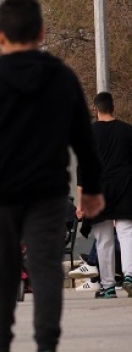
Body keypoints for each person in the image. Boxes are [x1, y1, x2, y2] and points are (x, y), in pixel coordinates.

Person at [0, 0, 104, 352]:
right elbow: (85, 140)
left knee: (2, 273)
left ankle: (0, 342)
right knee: (46, 269)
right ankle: (46, 344)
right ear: (41, 32)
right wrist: (92, 188)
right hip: (48, 192)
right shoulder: (61, 78)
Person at [81, 92, 132, 298]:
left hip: (99, 189)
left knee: (103, 239)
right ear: (114, 107)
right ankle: (129, 275)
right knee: (127, 233)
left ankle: (108, 286)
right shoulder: (128, 131)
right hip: (125, 186)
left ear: (95, 109)